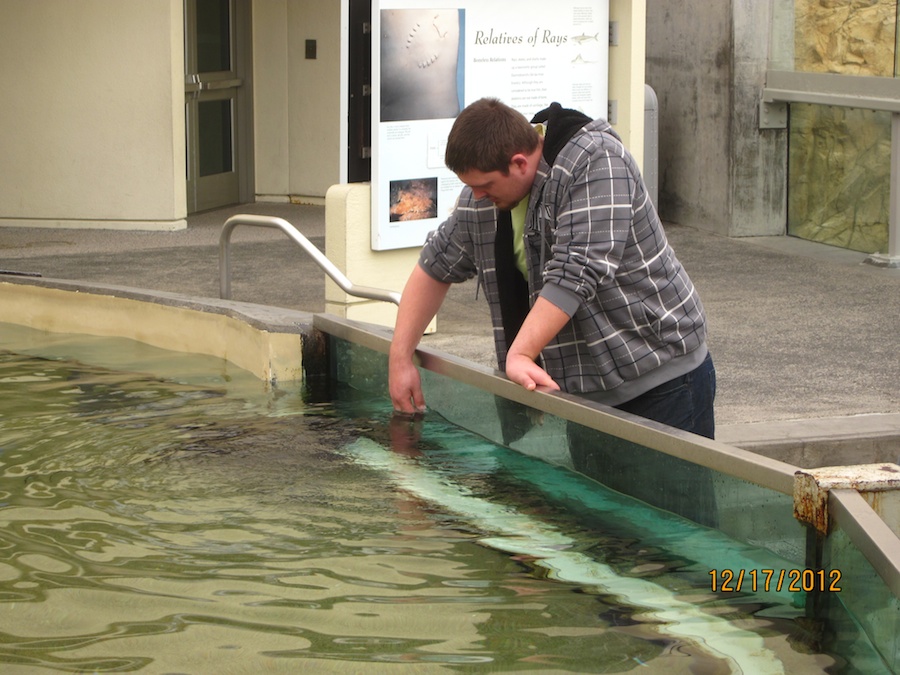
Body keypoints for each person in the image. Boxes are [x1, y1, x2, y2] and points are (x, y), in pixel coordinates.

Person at [389, 97, 715, 439]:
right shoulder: (480, 202)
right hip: (582, 394)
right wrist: (400, 358)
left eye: (484, 186)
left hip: (663, 381)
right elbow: (435, 265)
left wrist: (522, 353)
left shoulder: (595, 160)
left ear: (518, 163)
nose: (477, 196)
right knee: (596, 495)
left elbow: (577, 270)